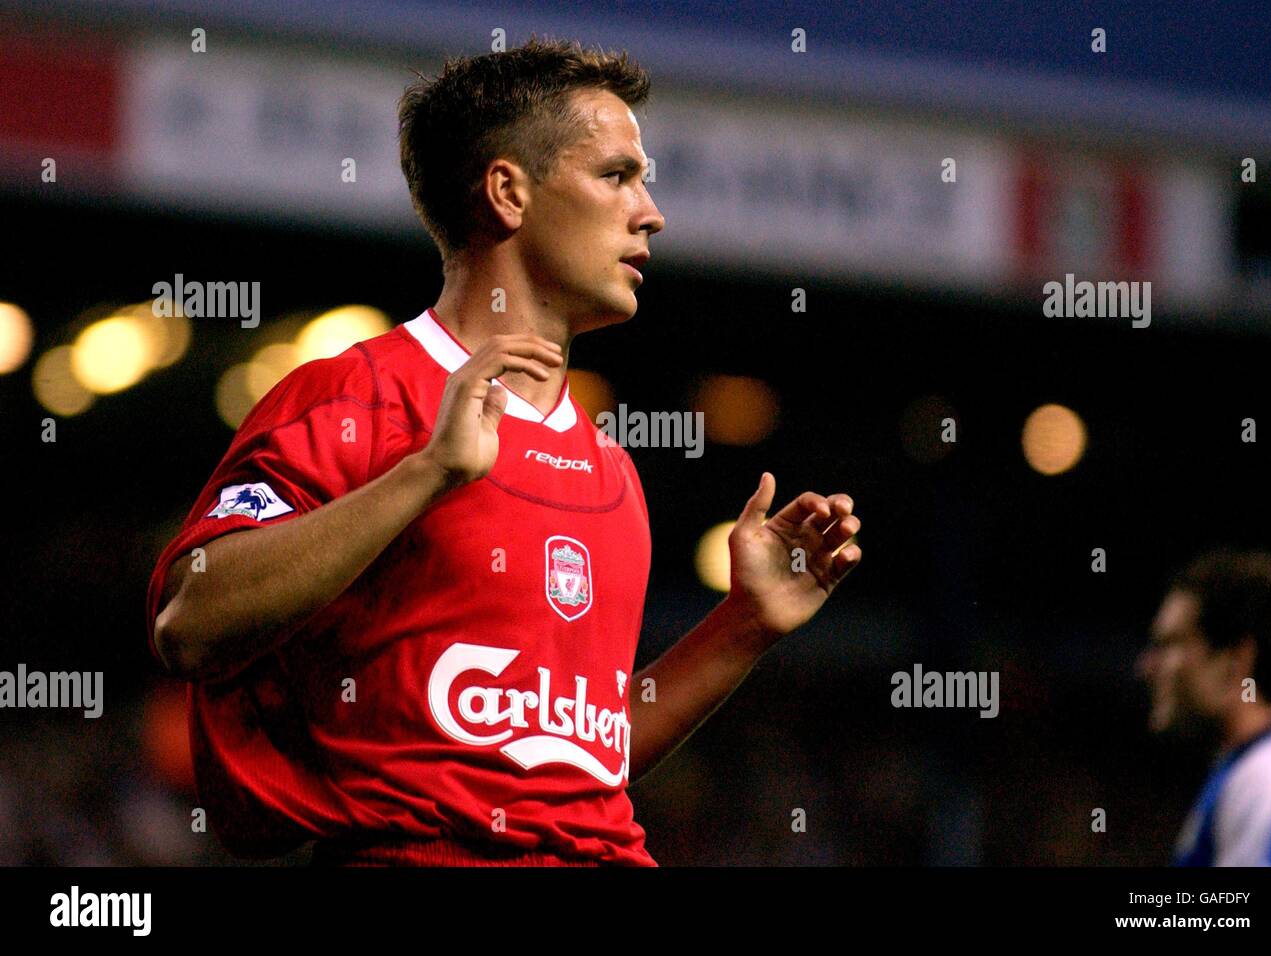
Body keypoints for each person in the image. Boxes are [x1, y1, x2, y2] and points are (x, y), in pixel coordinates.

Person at [145, 37, 861, 866]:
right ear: (508, 191)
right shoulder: (357, 398)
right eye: (618, 175)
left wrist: (742, 625)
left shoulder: (611, 470)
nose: (651, 211)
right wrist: (427, 473)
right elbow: (188, 622)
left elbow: (578, 768)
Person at [1138, 549, 1271, 866]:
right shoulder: (1244, 771)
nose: (1147, 666)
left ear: (1235, 660)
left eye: (1171, 643)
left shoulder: (1265, 782)